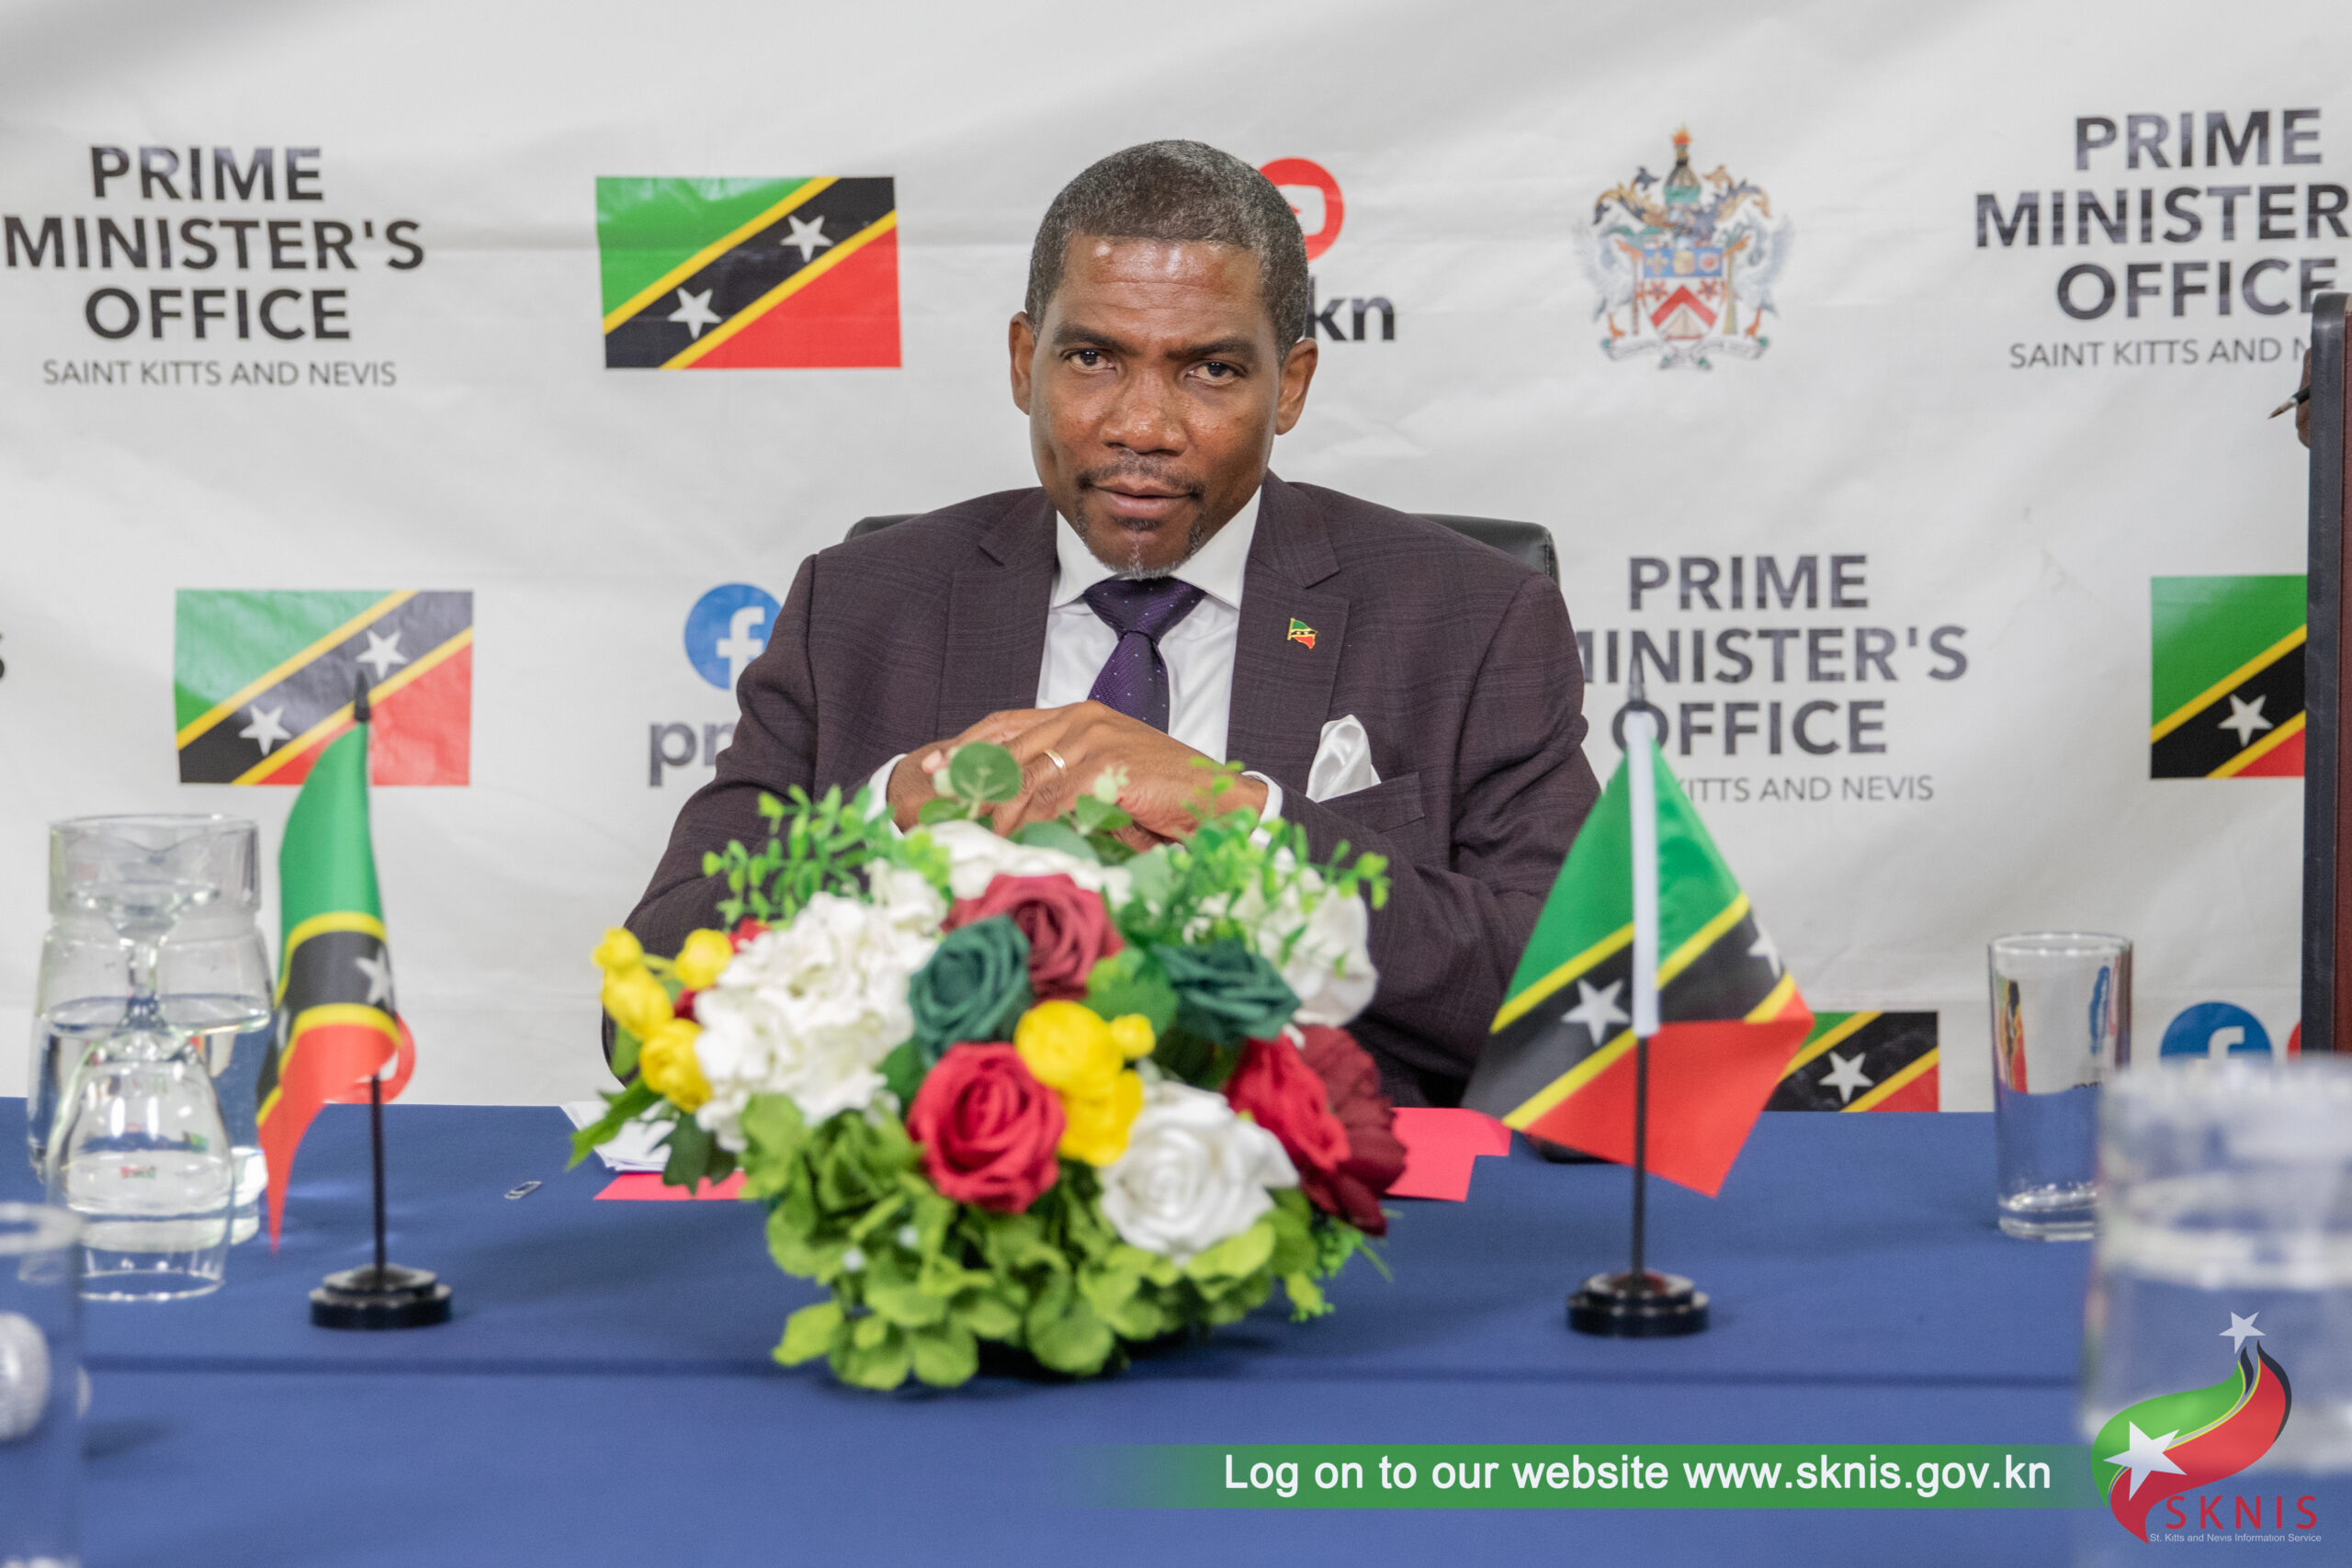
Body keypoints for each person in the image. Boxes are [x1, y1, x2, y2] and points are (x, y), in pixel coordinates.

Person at [628, 141, 1598, 1105]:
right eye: (1092, 359)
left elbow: (1579, 1005)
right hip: (957, 1182)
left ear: (1292, 384)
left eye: (1210, 370)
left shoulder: (1470, 619)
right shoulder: (860, 609)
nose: (1143, 426)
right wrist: (883, 817)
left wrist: (1246, 823)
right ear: (1025, 363)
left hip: (1328, 1182)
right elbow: (647, 1011)